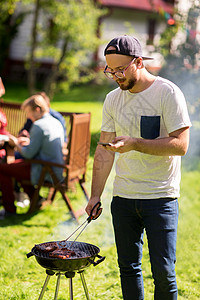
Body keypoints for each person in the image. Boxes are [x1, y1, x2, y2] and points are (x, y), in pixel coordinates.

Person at [86, 35, 192, 300]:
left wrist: (135, 143)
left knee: (164, 272)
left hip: (161, 198)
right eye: (111, 70)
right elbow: (103, 149)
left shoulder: (167, 92)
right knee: (128, 269)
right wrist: (95, 195)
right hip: (123, 197)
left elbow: (181, 145)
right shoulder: (112, 99)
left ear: (139, 62)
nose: (116, 76)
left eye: (121, 69)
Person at [0, 94, 64, 219]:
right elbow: (44, 144)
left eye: (29, 113)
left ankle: (9, 210)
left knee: (2, 169)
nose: (28, 116)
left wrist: (16, 142)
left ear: (37, 110)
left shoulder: (39, 125)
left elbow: (28, 154)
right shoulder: (54, 121)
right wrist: (28, 142)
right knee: (15, 166)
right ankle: (37, 199)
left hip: (45, 170)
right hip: (55, 168)